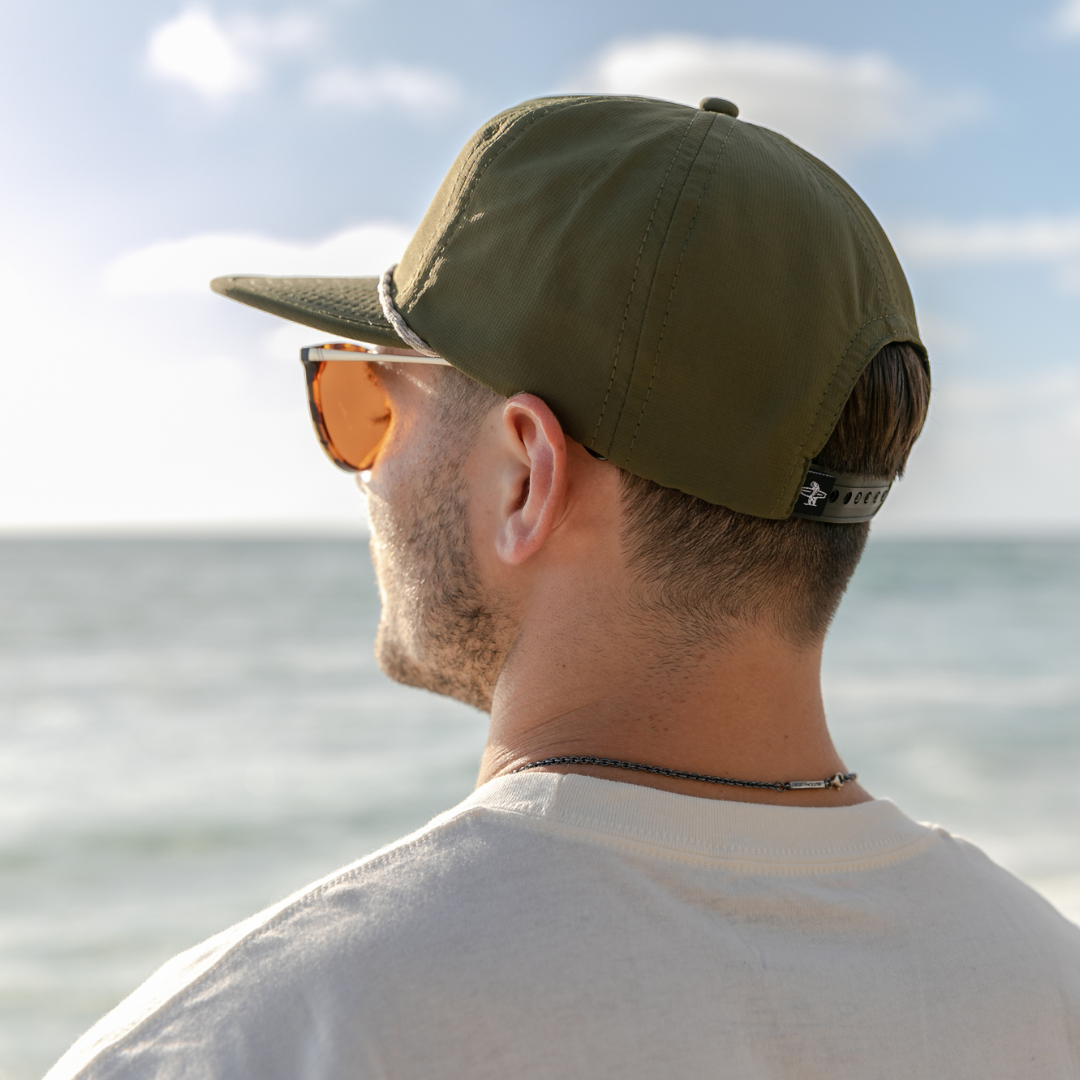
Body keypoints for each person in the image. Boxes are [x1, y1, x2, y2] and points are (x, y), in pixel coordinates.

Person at [48, 94, 1079, 1080]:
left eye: (366, 398)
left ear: (526, 475)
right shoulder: (1047, 985)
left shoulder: (260, 1041)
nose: (368, 471)